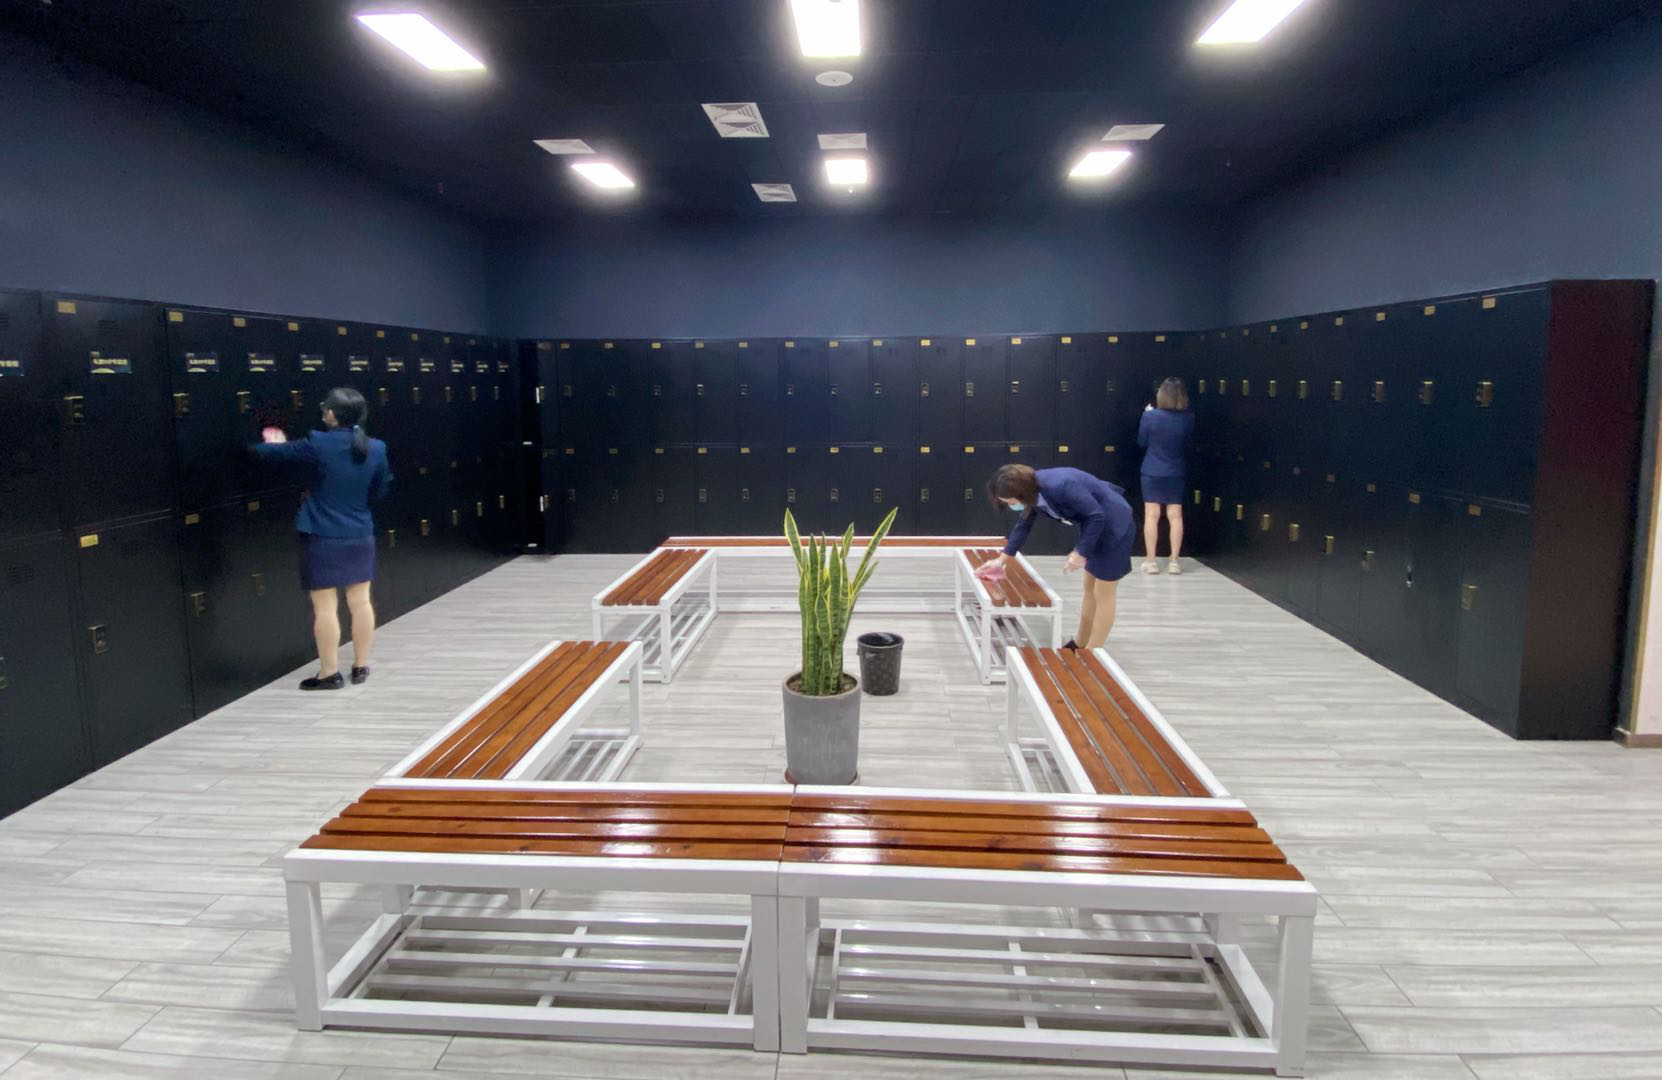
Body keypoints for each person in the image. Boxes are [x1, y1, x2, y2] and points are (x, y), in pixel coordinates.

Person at [251, 387, 392, 690]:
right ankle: (360, 666)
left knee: (325, 607)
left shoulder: (318, 443)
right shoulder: (376, 448)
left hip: (322, 534)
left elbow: (268, 454)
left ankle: (329, 673)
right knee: (360, 601)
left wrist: (274, 442)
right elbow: (381, 489)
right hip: (360, 532)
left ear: (331, 414)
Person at [978, 463, 1136, 650]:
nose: (1012, 506)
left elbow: (1096, 516)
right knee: (1089, 587)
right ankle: (1080, 643)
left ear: (1022, 494)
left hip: (1114, 525)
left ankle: (1093, 652)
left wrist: (1080, 552)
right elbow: (1024, 525)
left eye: (1011, 503)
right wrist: (1002, 560)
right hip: (1094, 528)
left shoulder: (1060, 486)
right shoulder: (1032, 490)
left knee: (1103, 592)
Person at [1137, 376, 1195, 575]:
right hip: (1176, 471)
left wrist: (1147, 415)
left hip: (1152, 471)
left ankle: (1151, 561)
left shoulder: (1150, 416)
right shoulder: (1188, 418)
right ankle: (1174, 562)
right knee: (1176, 516)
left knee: (1151, 516)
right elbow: (1188, 444)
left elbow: (1142, 441)